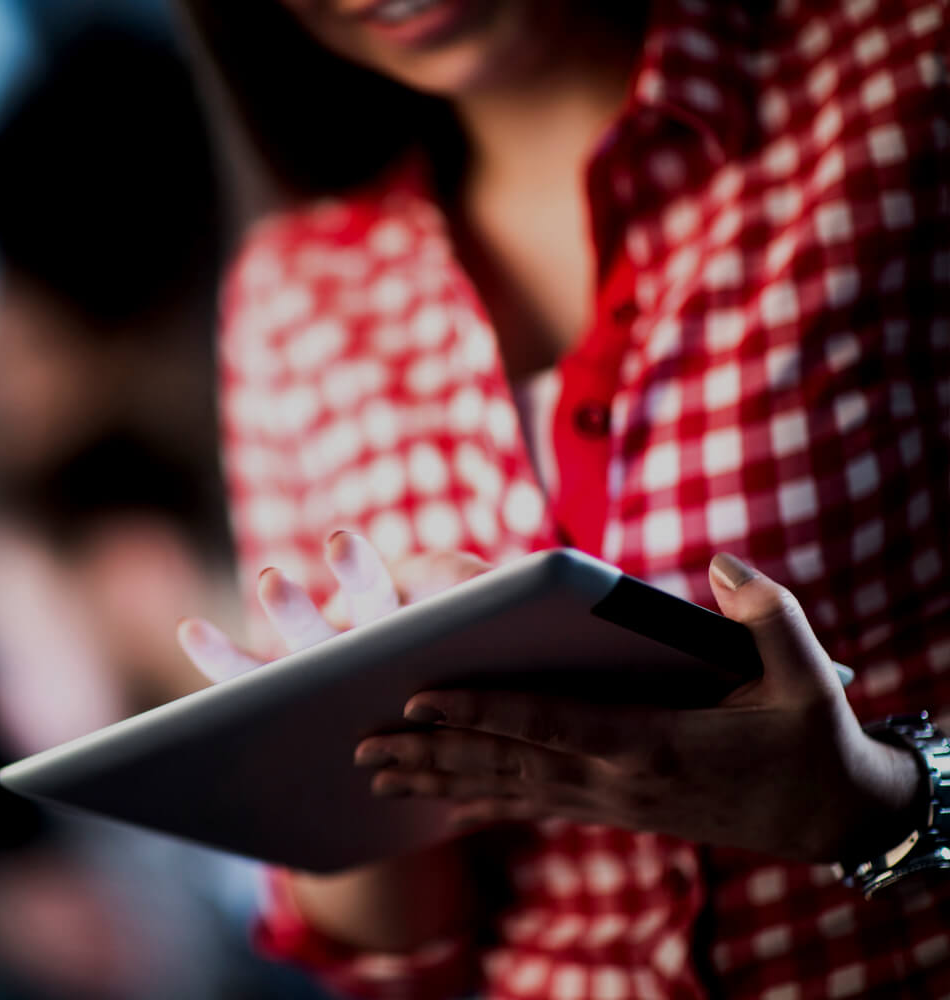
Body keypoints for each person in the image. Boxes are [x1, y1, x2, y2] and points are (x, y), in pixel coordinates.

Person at [175, 1, 950, 997]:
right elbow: (390, 939)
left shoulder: (905, 86)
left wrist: (876, 801)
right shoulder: (293, 292)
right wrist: (333, 762)